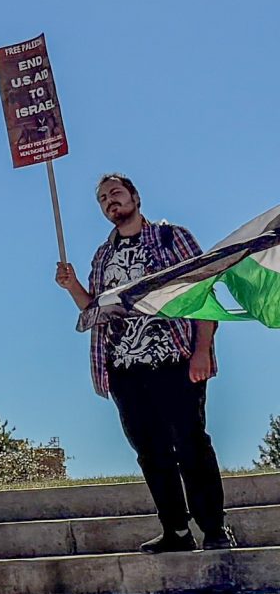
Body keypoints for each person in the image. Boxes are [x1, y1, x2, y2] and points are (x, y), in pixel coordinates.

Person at [55, 173, 233, 553]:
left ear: (135, 196)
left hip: (175, 359)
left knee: (191, 444)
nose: (109, 202)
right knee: (150, 452)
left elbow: (203, 292)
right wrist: (73, 287)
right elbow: (95, 311)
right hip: (125, 368)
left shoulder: (172, 238)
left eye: (115, 193)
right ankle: (176, 531)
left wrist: (202, 350)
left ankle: (214, 528)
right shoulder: (103, 256)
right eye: (102, 199)